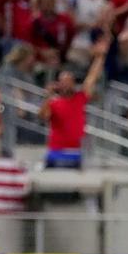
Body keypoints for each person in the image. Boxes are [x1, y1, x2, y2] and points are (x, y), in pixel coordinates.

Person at [40, 39, 108, 168]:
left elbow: (92, 77)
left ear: (73, 83)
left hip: (75, 151)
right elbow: (43, 116)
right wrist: (48, 96)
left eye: (68, 81)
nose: (65, 84)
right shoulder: (53, 102)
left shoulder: (79, 98)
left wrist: (100, 57)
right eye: (63, 82)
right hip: (56, 151)